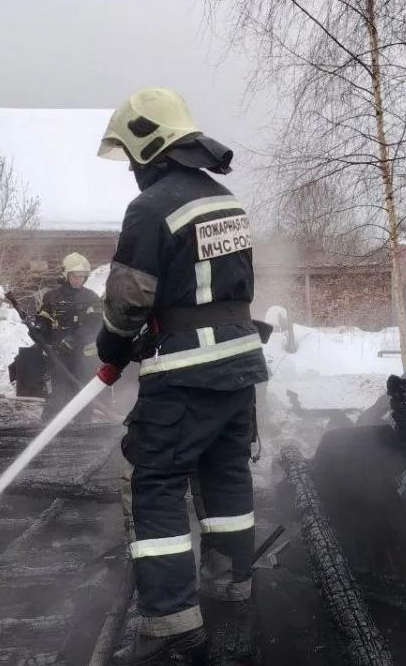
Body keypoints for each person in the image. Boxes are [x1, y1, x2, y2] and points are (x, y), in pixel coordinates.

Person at [96, 87, 268, 665]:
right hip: (239, 368)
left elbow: (129, 298)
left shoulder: (151, 208)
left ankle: (171, 620)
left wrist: (113, 346)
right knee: (225, 479)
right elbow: (218, 291)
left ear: (149, 145)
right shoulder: (225, 201)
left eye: (130, 156)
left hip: (187, 375)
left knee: (157, 482)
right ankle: (229, 588)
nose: (130, 170)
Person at [34, 252, 102, 423]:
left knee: (83, 398)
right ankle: (51, 435)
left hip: (84, 359)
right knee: (57, 397)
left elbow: (93, 325)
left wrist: (74, 339)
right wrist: (38, 329)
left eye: (82, 276)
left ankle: (83, 433)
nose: (78, 279)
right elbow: (44, 320)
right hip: (58, 357)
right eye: (74, 276)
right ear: (66, 275)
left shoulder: (91, 298)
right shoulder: (51, 297)